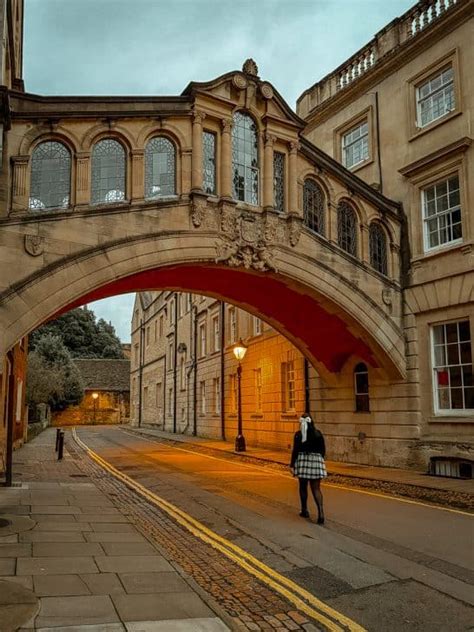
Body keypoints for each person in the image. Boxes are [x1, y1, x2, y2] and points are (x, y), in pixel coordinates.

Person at [290, 413, 327, 524]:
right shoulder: (318, 434)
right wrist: (319, 459)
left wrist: (292, 465)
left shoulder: (298, 435)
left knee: (303, 486)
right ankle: (321, 512)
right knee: (316, 488)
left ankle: (304, 510)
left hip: (303, 461)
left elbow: (295, 451)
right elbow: (323, 450)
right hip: (316, 461)